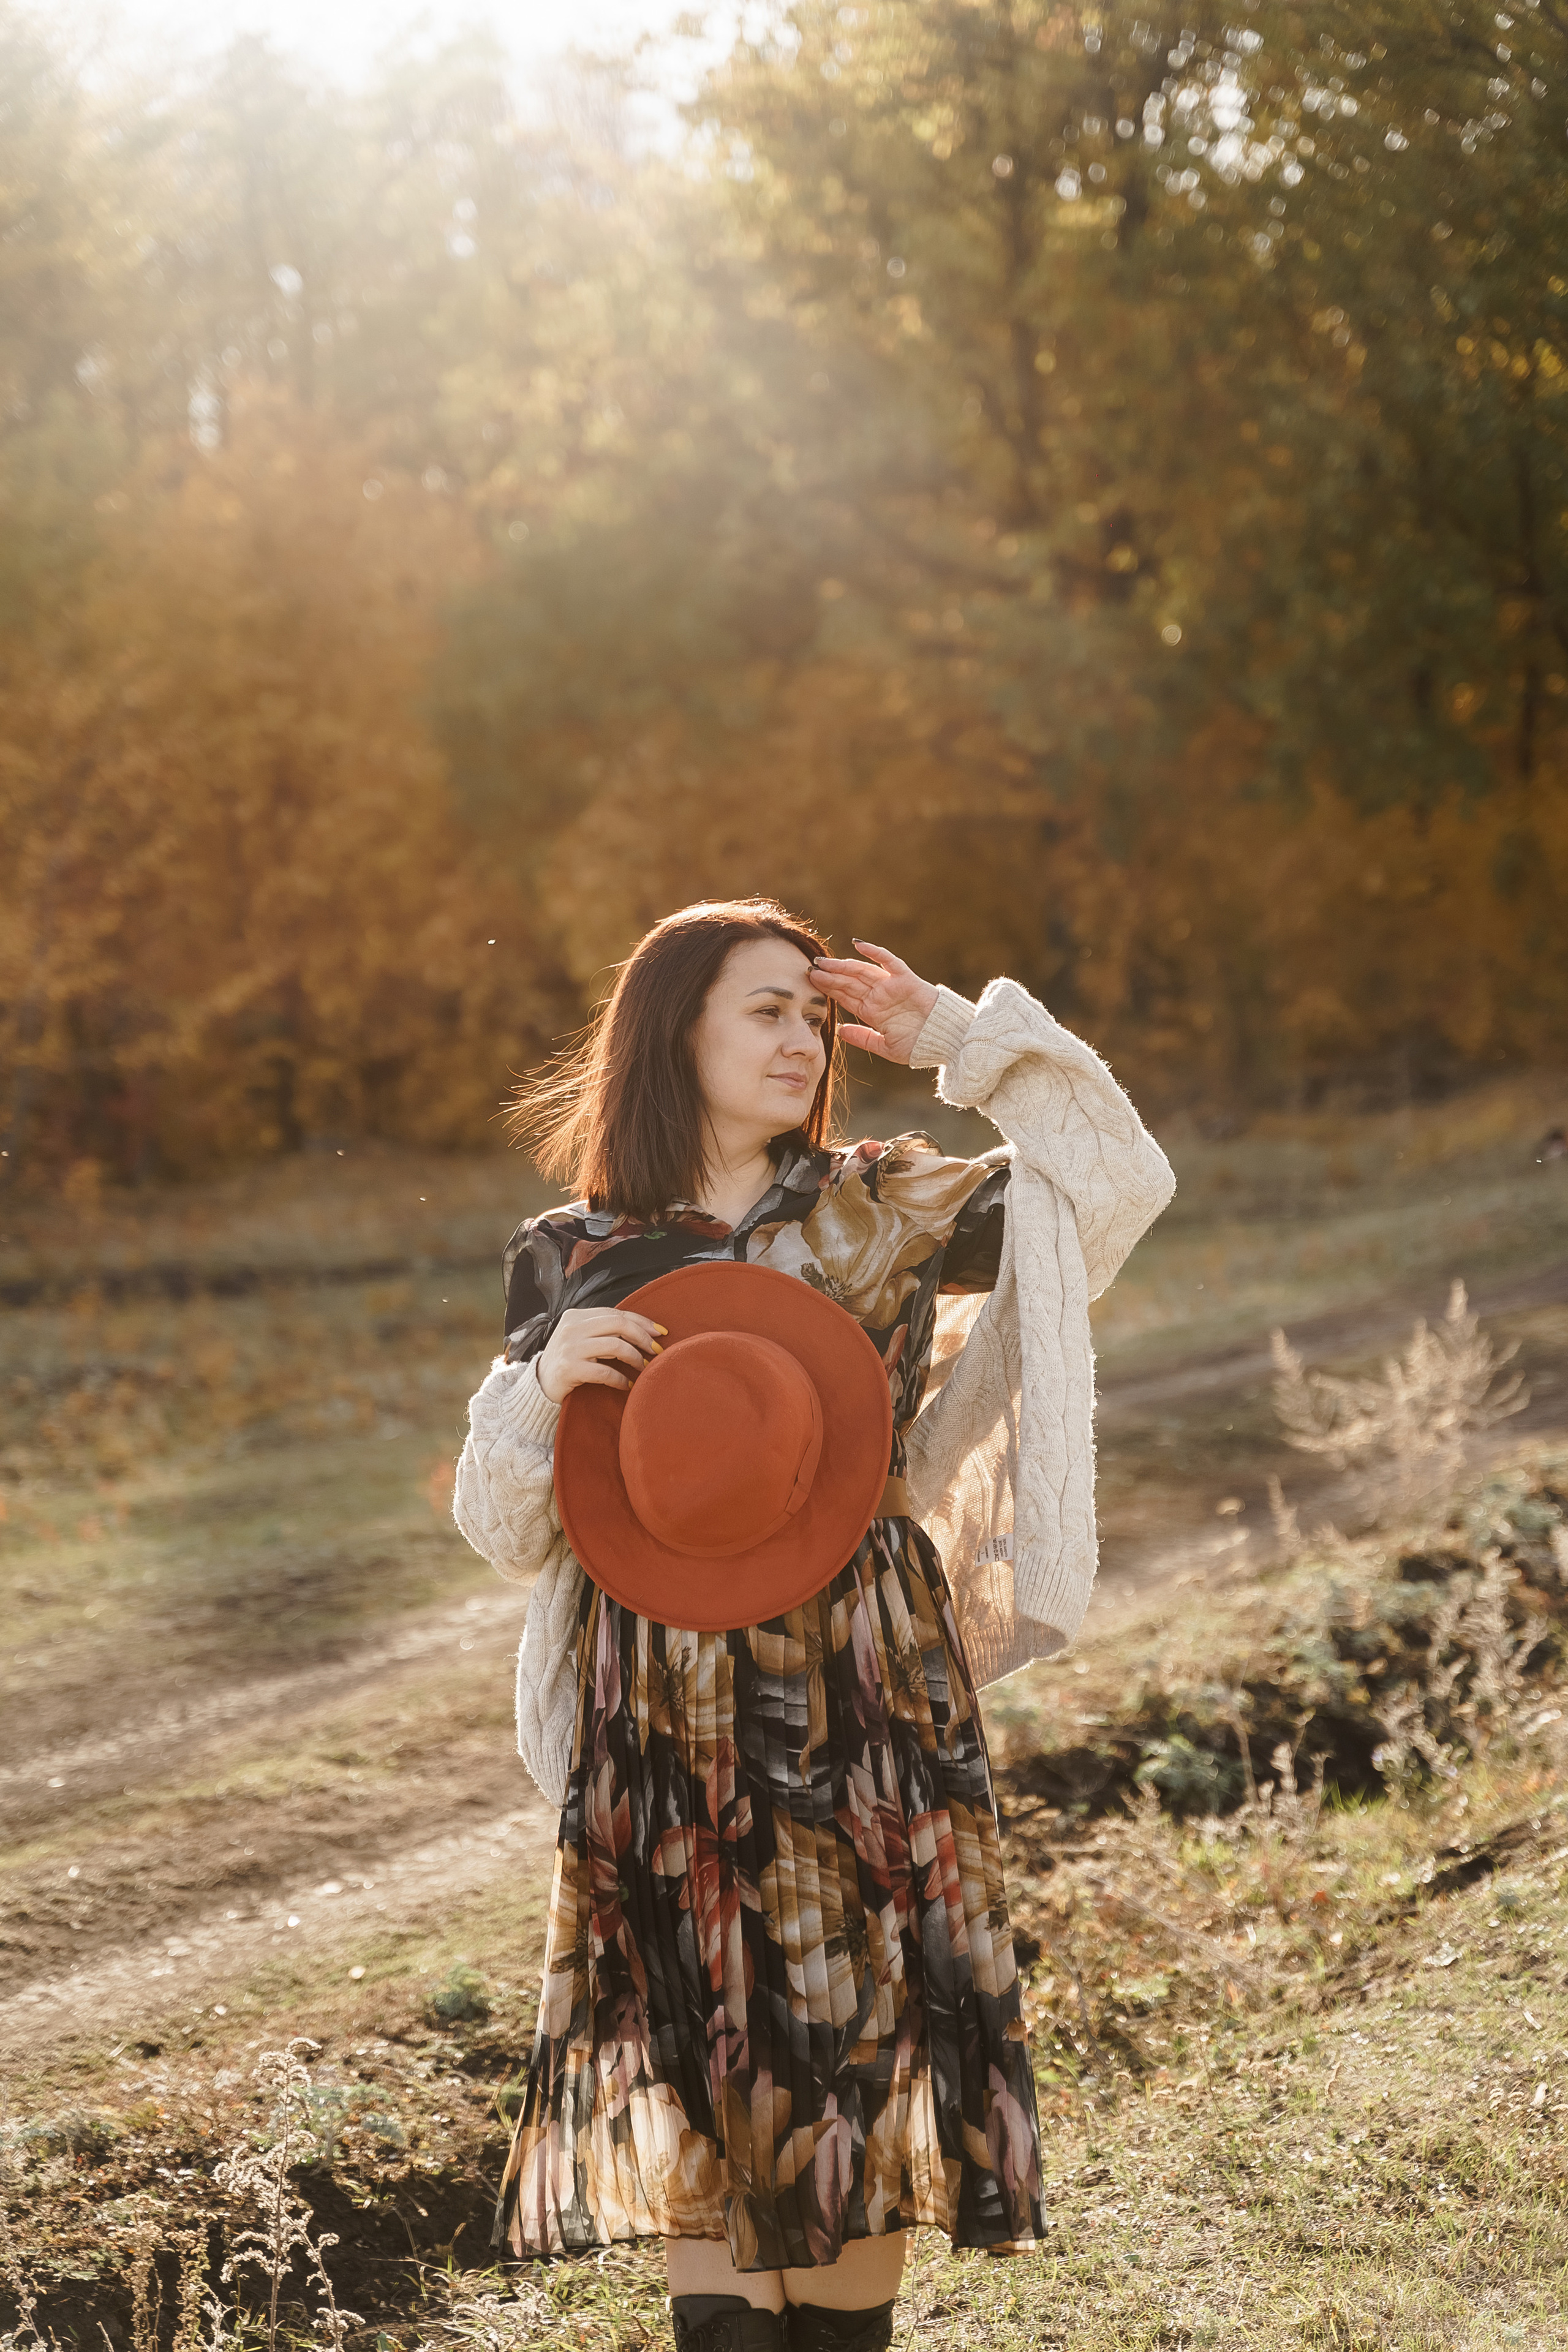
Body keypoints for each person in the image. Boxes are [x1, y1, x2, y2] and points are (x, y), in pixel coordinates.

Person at [453, 899, 1174, 2352]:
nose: (799, 1039)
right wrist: (536, 1393)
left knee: (846, 2078)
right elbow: (508, 1528)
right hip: (655, 1709)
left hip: (858, 1689)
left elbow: (1114, 1188)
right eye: (761, 1010)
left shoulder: (887, 1202)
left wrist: (963, 1042)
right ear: (677, 1032)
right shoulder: (572, 1251)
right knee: (710, 2081)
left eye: (808, 1012)